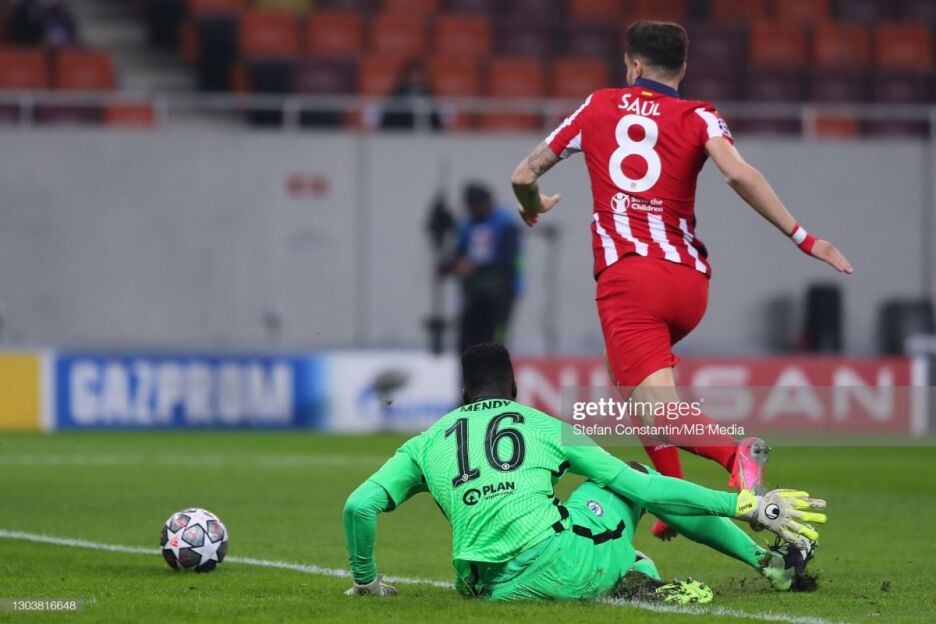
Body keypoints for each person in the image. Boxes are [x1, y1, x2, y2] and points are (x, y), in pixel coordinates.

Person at [510, 20, 853, 540]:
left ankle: (734, 453)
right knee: (626, 382)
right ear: (683, 68)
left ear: (634, 66)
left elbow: (523, 175)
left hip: (631, 280)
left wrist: (533, 204)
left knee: (659, 412)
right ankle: (673, 495)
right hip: (689, 282)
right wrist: (804, 238)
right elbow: (737, 173)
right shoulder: (700, 115)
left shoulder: (599, 106)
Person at [342, 344, 826, 602]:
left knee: (592, 522)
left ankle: (634, 572)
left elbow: (358, 506)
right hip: (556, 568)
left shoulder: (426, 441)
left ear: (464, 394)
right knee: (630, 477)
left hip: (479, 587)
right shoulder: (547, 426)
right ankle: (770, 565)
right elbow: (644, 488)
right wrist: (745, 505)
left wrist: (366, 581)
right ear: (514, 387)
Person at [444, 183, 522, 355]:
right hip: (473, 292)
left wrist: (474, 266)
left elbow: (505, 258)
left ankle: (493, 370)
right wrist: (449, 267)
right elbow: (460, 253)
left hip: (501, 290)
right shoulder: (467, 225)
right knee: (468, 338)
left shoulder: (505, 223)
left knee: (493, 337)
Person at [379, 59, 442, 131]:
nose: (415, 77)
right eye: (413, 74)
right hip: (400, 131)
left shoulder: (429, 96)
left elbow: (436, 124)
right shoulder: (397, 94)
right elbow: (389, 120)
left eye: (418, 74)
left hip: (424, 134)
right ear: (406, 75)